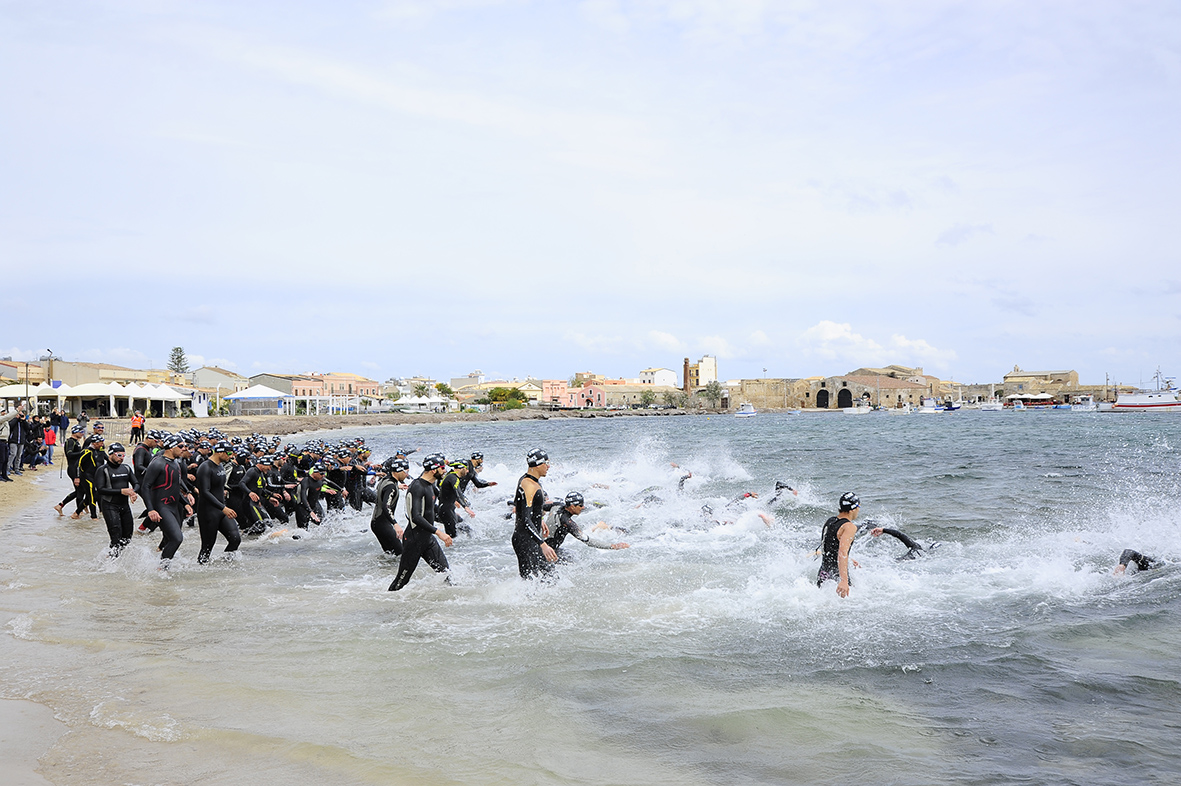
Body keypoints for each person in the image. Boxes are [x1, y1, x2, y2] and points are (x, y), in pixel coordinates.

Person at [388, 453, 453, 591]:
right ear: (434, 470)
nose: (444, 471)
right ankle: (386, 607)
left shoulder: (431, 485)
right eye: (442, 468)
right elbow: (415, 516)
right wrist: (439, 532)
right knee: (402, 580)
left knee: (445, 573)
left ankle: (450, 606)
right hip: (414, 540)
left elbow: (432, 508)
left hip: (428, 539)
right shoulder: (417, 486)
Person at [141, 436, 195, 566]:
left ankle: (161, 560)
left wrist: (185, 503)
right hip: (162, 507)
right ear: (171, 447)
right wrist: (151, 509)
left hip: (174, 506)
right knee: (177, 538)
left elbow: (175, 487)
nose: (184, 449)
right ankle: (162, 568)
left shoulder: (175, 463)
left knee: (169, 538)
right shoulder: (158, 463)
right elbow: (145, 487)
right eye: (181, 446)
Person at [543, 491, 629, 569]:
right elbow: (588, 541)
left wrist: (541, 520)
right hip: (546, 553)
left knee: (573, 556)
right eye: (580, 505)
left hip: (542, 545)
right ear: (572, 507)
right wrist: (613, 546)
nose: (583, 507)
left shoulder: (556, 505)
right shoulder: (568, 523)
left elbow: (537, 506)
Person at [511, 447, 558, 579]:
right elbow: (525, 520)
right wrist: (543, 544)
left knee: (551, 577)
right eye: (546, 463)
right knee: (530, 582)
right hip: (525, 539)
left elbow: (519, 506)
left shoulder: (527, 480)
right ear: (538, 465)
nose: (548, 467)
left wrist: (540, 519)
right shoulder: (529, 485)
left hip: (531, 537)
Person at [193, 441, 242, 564]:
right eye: (229, 453)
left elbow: (218, 486)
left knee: (235, 539)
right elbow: (204, 492)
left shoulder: (220, 465)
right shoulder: (205, 467)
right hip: (208, 511)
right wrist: (223, 508)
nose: (231, 456)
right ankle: (201, 572)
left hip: (221, 509)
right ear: (220, 452)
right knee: (207, 546)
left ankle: (225, 565)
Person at [92, 442, 139, 556]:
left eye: (123, 455)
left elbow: (136, 483)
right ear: (111, 454)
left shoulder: (126, 468)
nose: (122, 458)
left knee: (127, 537)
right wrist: (121, 491)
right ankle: (111, 564)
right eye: (119, 455)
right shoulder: (103, 470)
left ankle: (113, 556)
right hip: (110, 505)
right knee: (116, 536)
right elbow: (100, 489)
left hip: (124, 506)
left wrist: (133, 492)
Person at [816, 492, 862, 598]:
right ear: (853, 509)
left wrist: (849, 559)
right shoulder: (849, 527)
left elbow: (829, 547)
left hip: (823, 574)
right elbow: (842, 552)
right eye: (858, 507)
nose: (859, 510)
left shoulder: (830, 521)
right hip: (837, 576)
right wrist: (844, 581)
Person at [371, 456, 410, 555]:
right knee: (400, 553)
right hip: (382, 524)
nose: (407, 475)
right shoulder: (391, 486)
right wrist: (395, 524)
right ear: (397, 472)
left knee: (390, 555)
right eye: (405, 472)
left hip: (376, 523)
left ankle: (385, 570)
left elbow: (383, 489)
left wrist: (397, 487)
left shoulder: (386, 479)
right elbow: (386, 506)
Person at [436, 460, 475, 538]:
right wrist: (465, 507)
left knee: (466, 528)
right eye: (466, 468)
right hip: (446, 511)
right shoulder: (453, 478)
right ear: (461, 468)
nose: (467, 471)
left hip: (448, 510)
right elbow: (458, 493)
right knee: (452, 537)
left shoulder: (450, 476)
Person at [0, 407, 17, 481]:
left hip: (5, 441)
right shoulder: (1, 419)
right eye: (2, 411)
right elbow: (8, 417)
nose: (4, 413)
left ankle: (4, 475)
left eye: (4, 411)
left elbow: (9, 418)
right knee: (1, 459)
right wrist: (17, 411)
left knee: (6, 459)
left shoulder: (5, 421)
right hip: (0, 441)